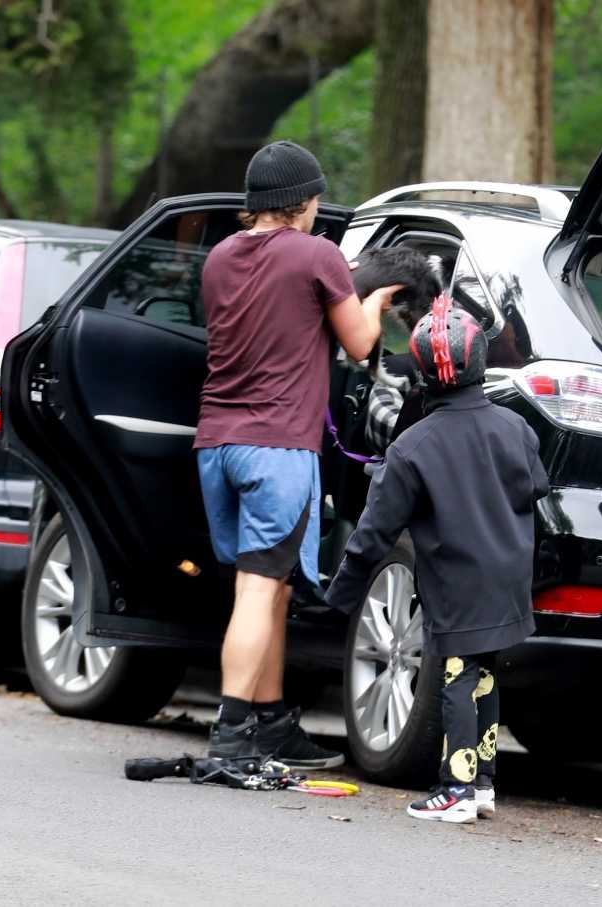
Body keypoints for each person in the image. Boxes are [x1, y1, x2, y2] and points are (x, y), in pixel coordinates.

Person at [197, 140, 402, 767]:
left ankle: (270, 721)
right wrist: (380, 297)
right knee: (259, 590)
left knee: (270, 585)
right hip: (278, 450)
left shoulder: (220, 257)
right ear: (305, 201)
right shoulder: (319, 254)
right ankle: (232, 733)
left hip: (217, 444)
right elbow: (361, 342)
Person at [326, 299, 550, 824]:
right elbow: (536, 485)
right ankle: (486, 781)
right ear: (480, 362)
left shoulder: (412, 447)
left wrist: (341, 593)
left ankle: (457, 787)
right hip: (510, 572)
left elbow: (374, 532)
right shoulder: (515, 427)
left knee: (454, 673)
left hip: (456, 578)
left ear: (423, 372)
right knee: (487, 671)